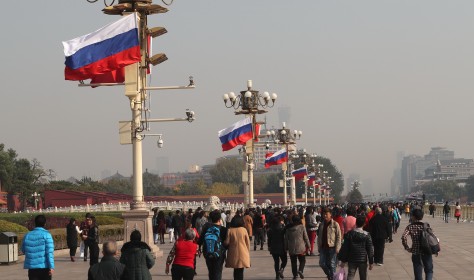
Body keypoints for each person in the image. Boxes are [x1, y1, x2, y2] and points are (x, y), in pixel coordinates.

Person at [401, 208, 437, 280]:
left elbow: (403, 237)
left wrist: (407, 247)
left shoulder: (410, 226)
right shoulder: (426, 226)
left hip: (416, 252)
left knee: (418, 273)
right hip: (427, 251)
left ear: (413, 216)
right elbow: (433, 237)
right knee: (429, 271)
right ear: (422, 216)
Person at [338, 216, 374, 280]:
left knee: (350, 276)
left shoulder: (349, 234)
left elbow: (345, 248)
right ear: (364, 224)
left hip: (352, 259)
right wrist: (371, 262)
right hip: (362, 260)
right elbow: (370, 249)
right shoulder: (367, 235)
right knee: (363, 277)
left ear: (356, 223)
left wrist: (343, 260)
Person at [22, 215, 55, 280]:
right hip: (44, 268)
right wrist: (51, 267)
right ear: (44, 224)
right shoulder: (47, 235)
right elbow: (50, 253)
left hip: (32, 268)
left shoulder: (27, 235)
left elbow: (23, 250)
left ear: (35, 223)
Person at [198, 209, 228, 280]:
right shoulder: (223, 229)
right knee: (217, 272)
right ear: (219, 219)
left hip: (207, 252)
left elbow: (200, 240)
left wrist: (199, 247)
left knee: (211, 271)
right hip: (219, 254)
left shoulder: (206, 228)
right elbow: (226, 244)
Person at [317, 207, 342, 280]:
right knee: (322, 263)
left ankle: (333, 277)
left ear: (330, 214)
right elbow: (319, 237)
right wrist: (319, 246)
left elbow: (338, 236)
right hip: (323, 247)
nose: (325, 215)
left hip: (332, 247)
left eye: (326, 214)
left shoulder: (335, 224)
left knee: (332, 264)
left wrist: (338, 247)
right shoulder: (321, 224)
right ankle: (330, 275)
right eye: (324, 214)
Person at [224, 216, 251, 280]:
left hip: (233, 253)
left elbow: (227, 242)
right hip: (243, 252)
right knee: (241, 271)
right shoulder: (243, 230)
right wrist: (247, 252)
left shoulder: (230, 230)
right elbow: (248, 243)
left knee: (235, 270)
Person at [285, 215, 310, 280]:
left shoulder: (288, 229)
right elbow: (306, 238)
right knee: (302, 261)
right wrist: (309, 246)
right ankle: (300, 270)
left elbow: (286, 239)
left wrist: (286, 247)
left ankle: (295, 276)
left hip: (291, 248)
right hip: (301, 248)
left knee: (293, 262)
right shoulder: (302, 227)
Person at [268, 216, 288, 280]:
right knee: (284, 260)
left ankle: (277, 276)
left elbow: (269, 240)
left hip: (273, 247)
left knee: (276, 262)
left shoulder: (270, 230)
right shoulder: (282, 229)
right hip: (282, 247)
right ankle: (281, 269)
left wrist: (269, 246)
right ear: (280, 222)